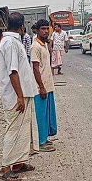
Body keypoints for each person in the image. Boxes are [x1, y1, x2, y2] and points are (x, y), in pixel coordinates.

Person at [0, 12, 39, 181]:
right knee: (13, 129)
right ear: (22, 26)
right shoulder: (10, 42)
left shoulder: (14, 41)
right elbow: (12, 71)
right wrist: (20, 97)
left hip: (24, 92)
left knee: (24, 129)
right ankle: (4, 168)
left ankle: (18, 163)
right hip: (16, 95)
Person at [30, 19, 57, 152]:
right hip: (40, 87)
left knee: (47, 114)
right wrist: (41, 87)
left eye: (47, 28)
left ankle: (45, 138)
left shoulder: (44, 45)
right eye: (43, 29)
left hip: (48, 85)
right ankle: (40, 142)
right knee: (41, 115)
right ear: (37, 30)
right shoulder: (35, 46)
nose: (46, 31)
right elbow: (35, 68)